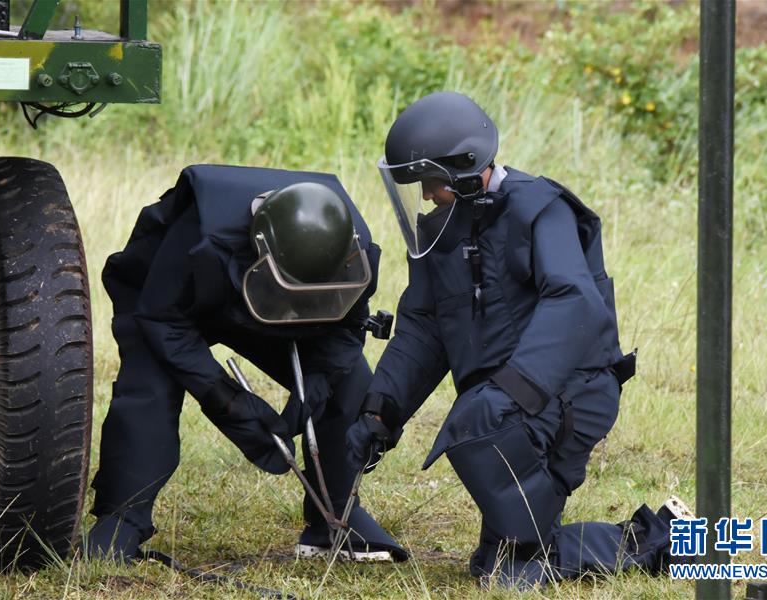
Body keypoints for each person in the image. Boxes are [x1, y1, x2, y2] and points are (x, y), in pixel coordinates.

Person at [346, 91, 688, 589]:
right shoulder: (442, 229)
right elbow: (423, 327)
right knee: (502, 567)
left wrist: (511, 390)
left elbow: (576, 301)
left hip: (572, 393)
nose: (425, 195)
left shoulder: (539, 209)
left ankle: (661, 540)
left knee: (480, 437)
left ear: (466, 167)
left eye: (432, 182)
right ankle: (672, 540)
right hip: (508, 408)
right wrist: (380, 412)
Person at [84, 164, 407, 563]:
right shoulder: (201, 240)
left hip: (278, 300)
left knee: (353, 384)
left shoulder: (351, 251)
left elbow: (350, 326)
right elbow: (161, 320)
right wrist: (226, 399)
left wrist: (321, 379)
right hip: (170, 305)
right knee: (148, 392)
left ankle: (337, 517)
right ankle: (121, 519)